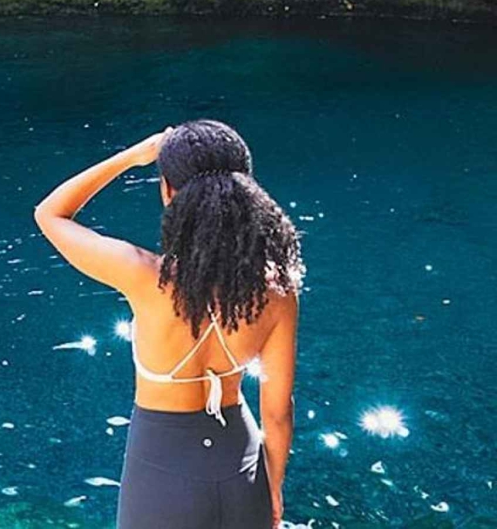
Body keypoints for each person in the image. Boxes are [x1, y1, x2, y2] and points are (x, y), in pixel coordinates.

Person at [34, 120, 304, 529]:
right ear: (246, 192)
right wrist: (273, 490)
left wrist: (132, 157)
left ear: (168, 192)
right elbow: (278, 413)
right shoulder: (277, 291)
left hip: (160, 478)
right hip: (243, 471)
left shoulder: (144, 275)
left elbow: (50, 214)